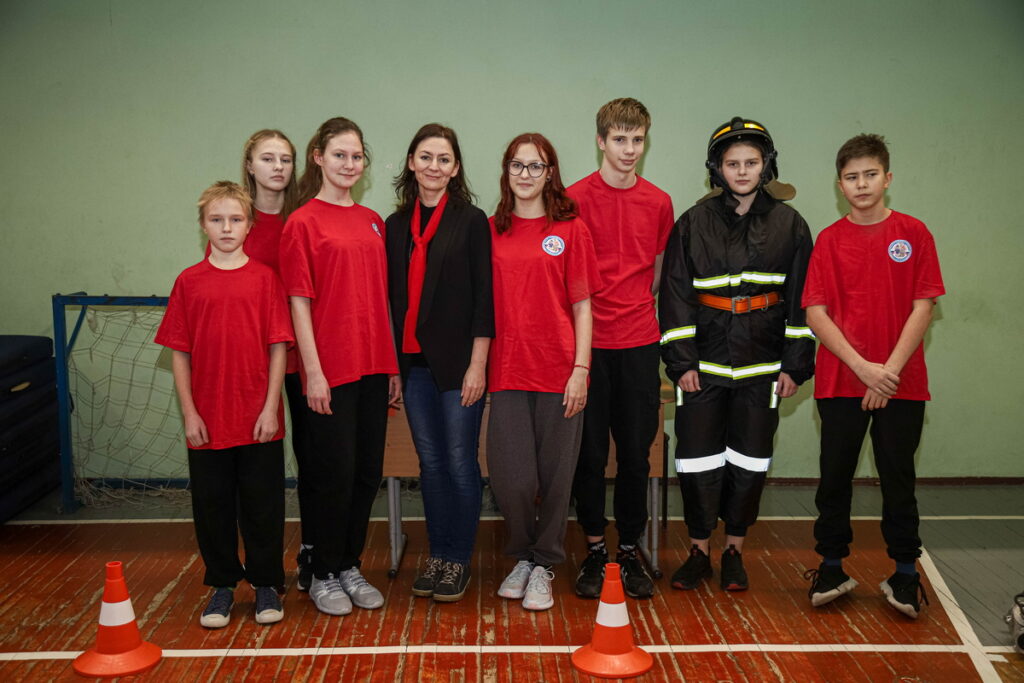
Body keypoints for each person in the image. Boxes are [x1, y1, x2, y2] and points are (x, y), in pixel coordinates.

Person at [659, 117, 815, 592]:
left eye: (751, 162)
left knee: (749, 462)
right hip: (702, 368)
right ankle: (698, 551)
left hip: (764, 368)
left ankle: (733, 552)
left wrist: (795, 364)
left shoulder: (791, 225)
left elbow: (804, 299)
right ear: (717, 168)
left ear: (766, 165)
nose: (742, 171)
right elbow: (675, 294)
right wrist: (681, 362)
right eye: (733, 163)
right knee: (698, 461)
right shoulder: (692, 223)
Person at [802, 134, 944, 619]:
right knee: (834, 478)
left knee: (898, 479)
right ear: (839, 185)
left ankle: (905, 574)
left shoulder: (914, 233)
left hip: (902, 384)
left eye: (870, 174)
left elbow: (924, 306)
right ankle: (831, 567)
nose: (861, 184)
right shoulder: (828, 240)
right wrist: (864, 369)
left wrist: (889, 373)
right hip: (842, 381)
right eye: (851, 177)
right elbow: (816, 313)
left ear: (887, 178)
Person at [156, 181, 293, 628]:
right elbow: (179, 352)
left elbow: (278, 347)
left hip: (258, 420)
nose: (227, 227)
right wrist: (190, 413)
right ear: (203, 226)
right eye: (217, 219)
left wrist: (270, 408)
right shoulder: (188, 282)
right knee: (212, 508)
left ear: (249, 225)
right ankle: (221, 585)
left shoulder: (265, 279)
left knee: (263, 507)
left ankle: (267, 582)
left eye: (236, 219)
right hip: (208, 422)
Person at [279, 117, 401, 616]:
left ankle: (349, 564)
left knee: (366, 472)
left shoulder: (373, 220)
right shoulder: (302, 222)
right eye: (340, 155)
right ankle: (323, 571)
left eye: (356, 157)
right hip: (329, 370)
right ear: (318, 157)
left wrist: (391, 366)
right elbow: (299, 301)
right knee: (334, 472)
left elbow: (380, 298)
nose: (349, 164)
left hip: (373, 366)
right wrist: (313, 371)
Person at [487, 133, 602, 612]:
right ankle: (521, 555)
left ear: (550, 173)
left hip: (560, 372)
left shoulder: (571, 230)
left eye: (536, 166)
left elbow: (583, 306)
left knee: (557, 478)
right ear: (506, 171)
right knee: (511, 478)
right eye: (517, 165)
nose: (526, 174)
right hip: (507, 371)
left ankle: (544, 563)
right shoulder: (491, 230)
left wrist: (581, 369)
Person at [567, 97, 674, 599]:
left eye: (637, 140)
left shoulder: (659, 202)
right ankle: (593, 547)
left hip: (639, 345)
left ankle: (629, 550)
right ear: (601, 141)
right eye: (620, 139)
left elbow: (656, 275)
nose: (629, 149)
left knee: (635, 456)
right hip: (588, 348)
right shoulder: (572, 199)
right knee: (588, 456)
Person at [385, 123, 493, 602]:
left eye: (443, 159)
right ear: (412, 162)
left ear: (455, 168)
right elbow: (390, 302)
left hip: (458, 366)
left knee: (459, 462)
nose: (434, 166)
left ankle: (457, 558)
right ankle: (437, 554)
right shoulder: (394, 226)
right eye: (425, 157)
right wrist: (392, 367)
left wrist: (478, 364)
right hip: (413, 367)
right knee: (429, 465)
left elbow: (485, 299)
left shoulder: (471, 221)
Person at [209, 130, 315, 592]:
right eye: (267, 158)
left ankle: (311, 551)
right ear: (249, 165)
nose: (278, 167)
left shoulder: (304, 219)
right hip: (255, 367)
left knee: (313, 460)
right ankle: (242, 573)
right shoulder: (233, 222)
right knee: (251, 472)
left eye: (285, 159)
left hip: (305, 359)